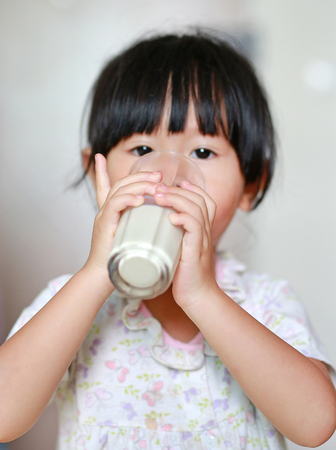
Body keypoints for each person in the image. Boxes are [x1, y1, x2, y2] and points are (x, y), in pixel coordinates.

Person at [0, 31, 335, 450]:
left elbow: (316, 424)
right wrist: (94, 276)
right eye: (142, 148)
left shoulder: (264, 302)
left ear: (252, 183)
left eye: (202, 153)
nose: (169, 177)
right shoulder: (71, 300)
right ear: (96, 173)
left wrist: (203, 296)